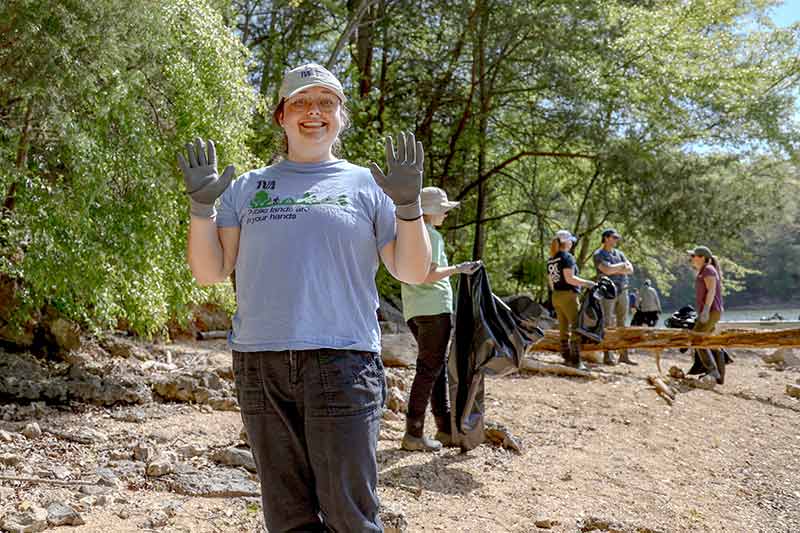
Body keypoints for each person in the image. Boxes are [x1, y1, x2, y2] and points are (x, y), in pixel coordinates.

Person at [178, 63, 432, 532]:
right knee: (287, 516)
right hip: (260, 363)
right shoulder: (247, 187)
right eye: (300, 102)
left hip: (343, 361)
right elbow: (211, 271)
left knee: (349, 515)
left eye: (326, 102)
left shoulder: (369, 185)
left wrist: (409, 206)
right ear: (281, 115)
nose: (313, 112)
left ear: (341, 115)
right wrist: (201, 209)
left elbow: (411, 270)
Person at [400, 186, 481, 452]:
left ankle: (444, 428)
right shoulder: (430, 236)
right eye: (443, 210)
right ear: (430, 211)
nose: (446, 214)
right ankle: (414, 434)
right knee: (429, 370)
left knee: (433, 369)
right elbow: (428, 274)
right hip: (435, 309)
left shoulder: (407, 234)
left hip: (414, 310)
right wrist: (459, 269)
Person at [548, 229, 597, 371]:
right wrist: (589, 284)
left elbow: (551, 282)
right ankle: (576, 361)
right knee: (577, 326)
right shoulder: (566, 257)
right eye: (570, 241)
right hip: (568, 296)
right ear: (565, 242)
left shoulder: (552, 259)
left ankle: (566, 358)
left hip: (556, 296)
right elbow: (570, 278)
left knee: (563, 327)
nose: (571, 243)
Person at [592, 228, 636, 365]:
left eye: (617, 237)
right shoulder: (599, 254)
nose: (616, 240)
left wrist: (617, 267)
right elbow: (606, 270)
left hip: (623, 291)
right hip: (608, 292)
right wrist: (621, 267)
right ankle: (608, 355)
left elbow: (630, 270)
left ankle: (624, 355)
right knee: (607, 323)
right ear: (605, 238)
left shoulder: (620, 254)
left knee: (622, 323)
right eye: (614, 237)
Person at [688, 245, 726, 384]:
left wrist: (705, 310)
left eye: (693, 256)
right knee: (710, 342)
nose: (691, 258)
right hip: (710, 311)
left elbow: (711, 291)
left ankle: (712, 371)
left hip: (711, 311)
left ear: (702, 258)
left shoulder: (709, 270)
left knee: (696, 339)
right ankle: (719, 377)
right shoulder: (703, 271)